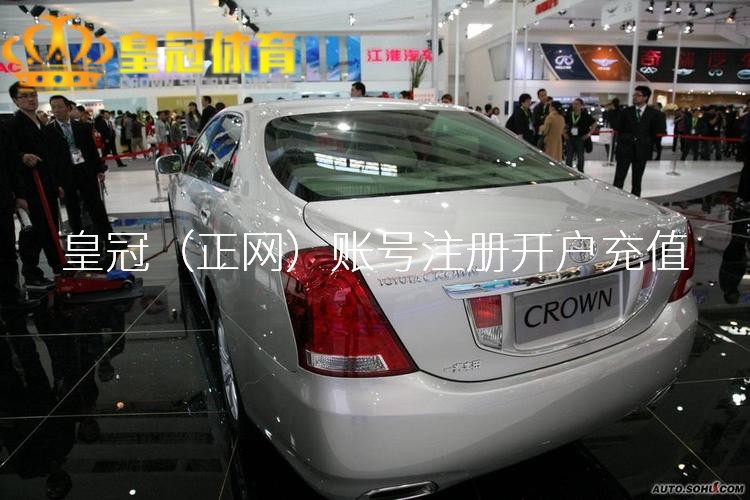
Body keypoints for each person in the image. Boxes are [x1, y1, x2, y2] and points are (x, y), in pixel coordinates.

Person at [4, 82, 64, 288]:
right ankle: (31, 273)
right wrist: (22, 157)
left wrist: (56, 183)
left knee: (51, 225)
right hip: (28, 186)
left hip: (46, 184)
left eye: (34, 95)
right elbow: (8, 154)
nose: (31, 99)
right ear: (15, 100)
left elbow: (50, 157)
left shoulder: (41, 123)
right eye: (24, 96)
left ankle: (59, 265)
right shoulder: (13, 125)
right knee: (33, 230)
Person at [46, 95, 114, 256]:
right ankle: (80, 240)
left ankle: (109, 238)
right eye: (53, 107)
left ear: (68, 108)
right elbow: (50, 158)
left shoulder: (82, 127)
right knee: (72, 209)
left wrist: (99, 169)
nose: (56, 110)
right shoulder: (48, 131)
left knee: (96, 206)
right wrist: (56, 182)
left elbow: (91, 150)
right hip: (65, 175)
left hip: (85, 171)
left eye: (59, 106)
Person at [0, 119, 39, 308]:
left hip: (2, 198)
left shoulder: (2, 129)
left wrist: (19, 194)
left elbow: (11, 164)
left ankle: (10, 296)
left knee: (6, 250)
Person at [613, 85, 660, 197]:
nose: (634, 97)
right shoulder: (626, 111)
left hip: (642, 151)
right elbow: (618, 127)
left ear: (645, 97)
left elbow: (656, 132)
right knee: (619, 178)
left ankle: (636, 200)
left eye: (637, 95)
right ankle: (614, 199)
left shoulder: (654, 113)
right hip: (625, 150)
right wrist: (629, 138)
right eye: (634, 95)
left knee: (637, 180)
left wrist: (645, 141)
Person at [565, 98, 596, 172]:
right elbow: (563, 124)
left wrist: (589, 134)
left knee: (580, 157)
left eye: (577, 104)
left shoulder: (586, 115)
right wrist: (564, 133)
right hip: (570, 138)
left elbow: (594, 124)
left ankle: (580, 171)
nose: (575, 105)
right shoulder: (568, 115)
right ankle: (568, 171)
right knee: (569, 157)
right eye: (574, 104)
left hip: (581, 139)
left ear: (581, 106)